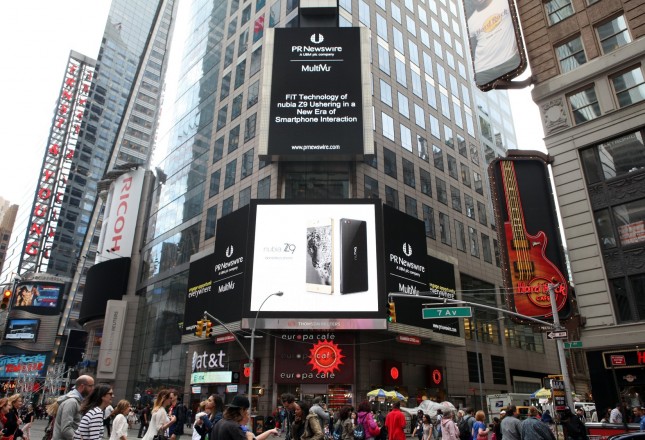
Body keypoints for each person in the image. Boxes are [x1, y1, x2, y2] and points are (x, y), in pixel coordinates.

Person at [465, 0, 521, 87]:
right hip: (483, 69)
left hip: (510, 60)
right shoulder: (470, 22)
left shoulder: (504, 2)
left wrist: (519, 44)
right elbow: (472, 50)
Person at [210, 395, 278, 440]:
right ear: (242, 410)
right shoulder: (234, 427)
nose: (247, 414)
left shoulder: (220, 422)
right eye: (246, 411)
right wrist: (250, 437)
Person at [54, 375, 96, 440]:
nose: (93, 389)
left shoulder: (78, 401)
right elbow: (66, 428)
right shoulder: (72, 402)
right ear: (82, 386)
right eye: (90, 386)